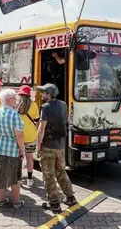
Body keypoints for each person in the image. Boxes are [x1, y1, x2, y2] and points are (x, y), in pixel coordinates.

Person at [37, 83, 77, 213]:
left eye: (43, 93)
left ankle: (54, 203)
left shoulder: (45, 108)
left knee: (48, 176)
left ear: (49, 95)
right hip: (60, 145)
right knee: (61, 171)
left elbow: (41, 128)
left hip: (48, 146)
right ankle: (70, 197)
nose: (41, 94)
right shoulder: (63, 104)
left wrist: (38, 146)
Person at [0, 89, 25, 208]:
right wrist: (22, 149)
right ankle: (16, 202)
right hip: (12, 150)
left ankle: (1, 200)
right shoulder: (15, 114)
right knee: (14, 178)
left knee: (0, 177)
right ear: (9, 100)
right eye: (15, 98)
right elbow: (19, 135)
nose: (16, 100)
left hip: (0, 148)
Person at [16, 85, 39, 187]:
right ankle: (29, 179)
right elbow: (37, 120)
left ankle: (18, 178)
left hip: (18, 136)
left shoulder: (16, 105)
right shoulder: (34, 105)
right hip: (30, 136)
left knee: (18, 158)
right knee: (29, 158)